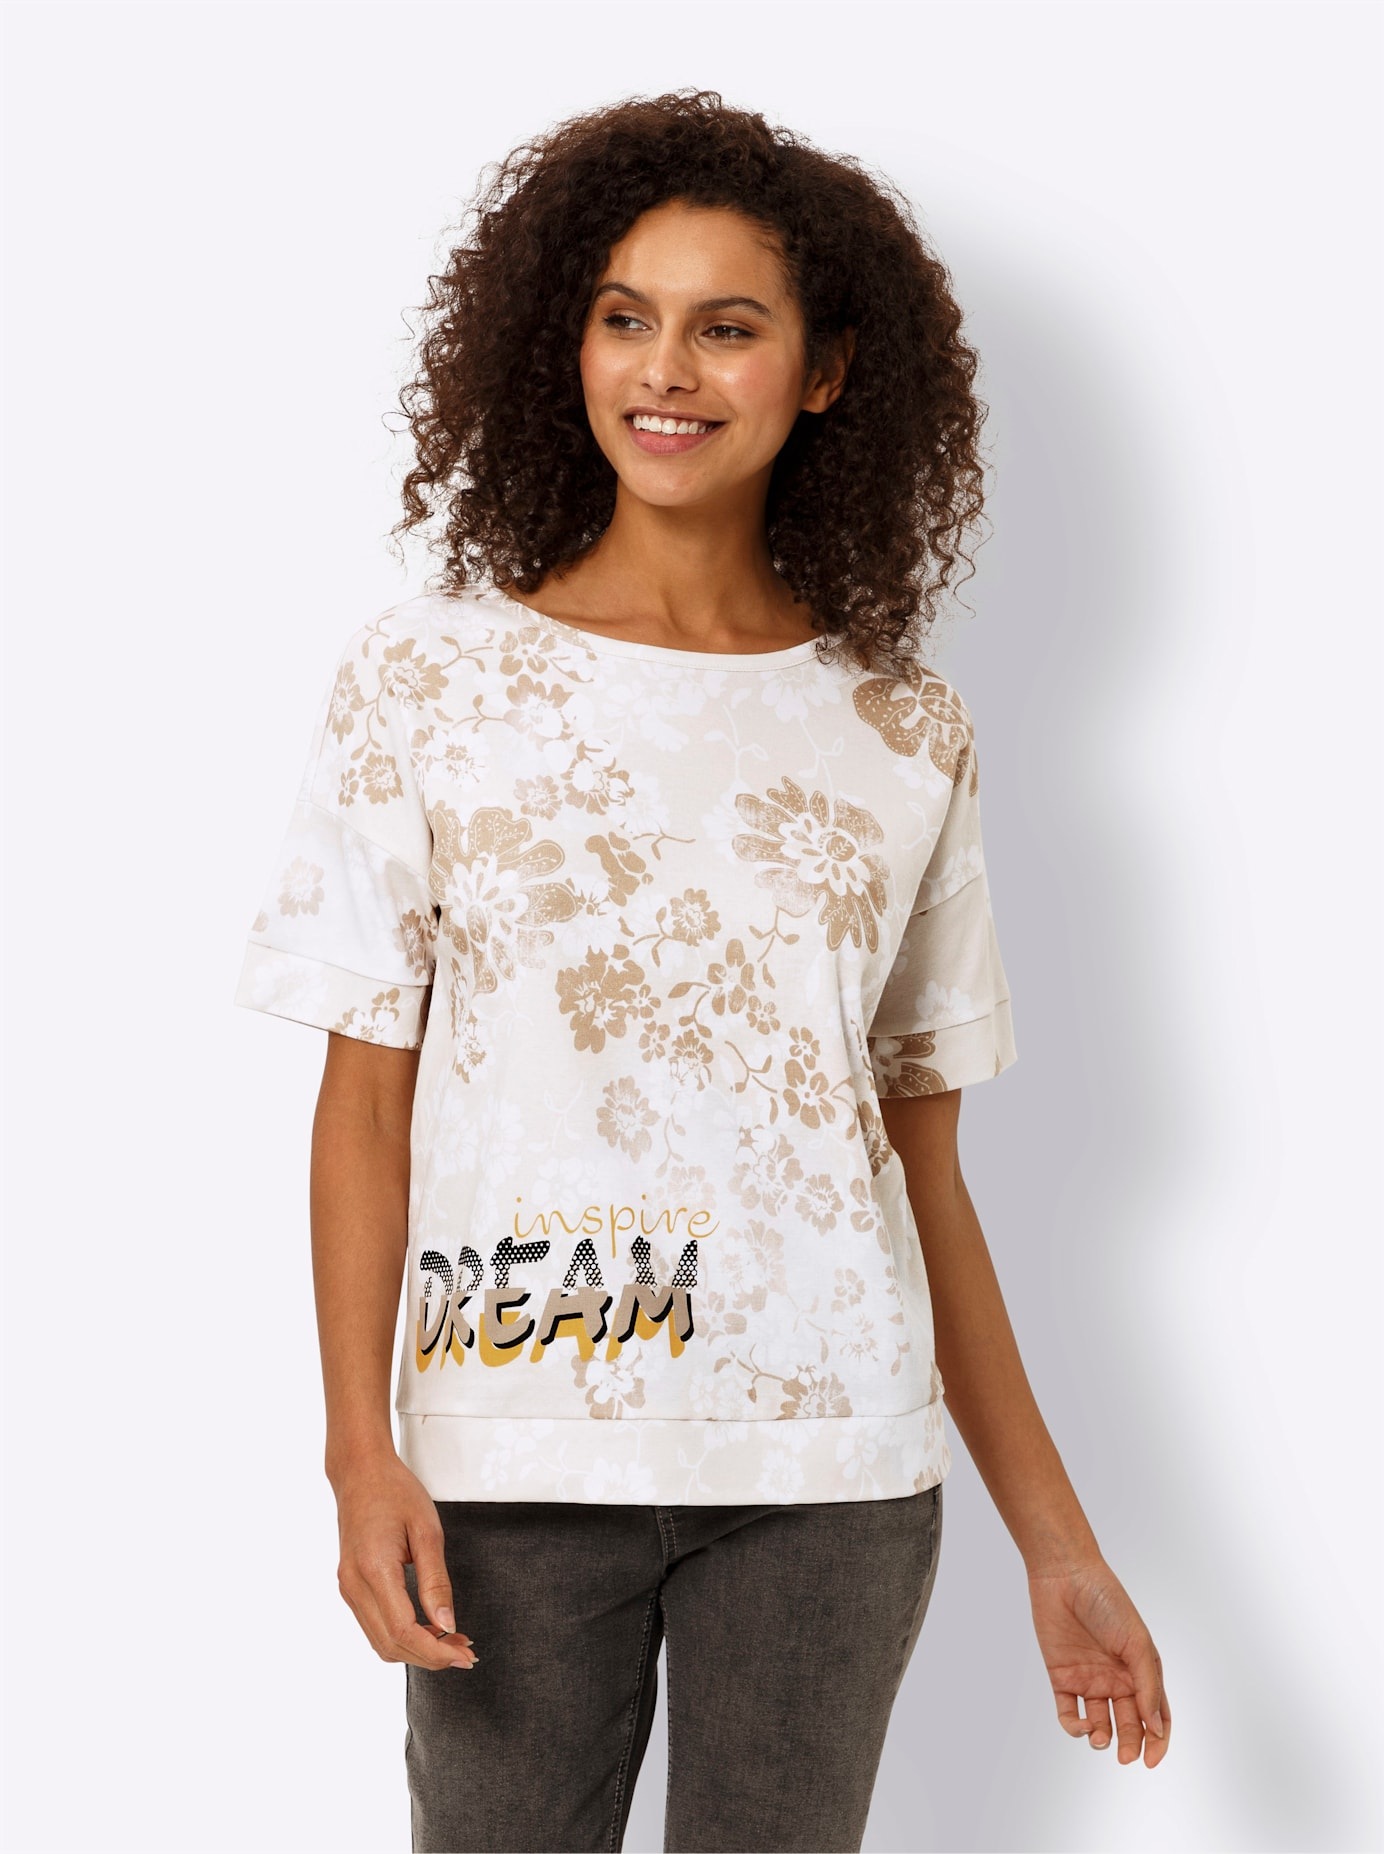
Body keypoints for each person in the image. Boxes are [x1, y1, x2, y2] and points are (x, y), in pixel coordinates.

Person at [233, 87, 1170, 1854]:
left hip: (829, 1476)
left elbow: (925, 1176)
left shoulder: (905, 730)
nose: (665, 370)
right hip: (511, 1457)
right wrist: (361, 1448)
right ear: (567, 345)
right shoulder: (428, 682)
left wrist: (1059, 1543)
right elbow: (364, 1104)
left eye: (727, 326)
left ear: (823, 373)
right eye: (624, 317)